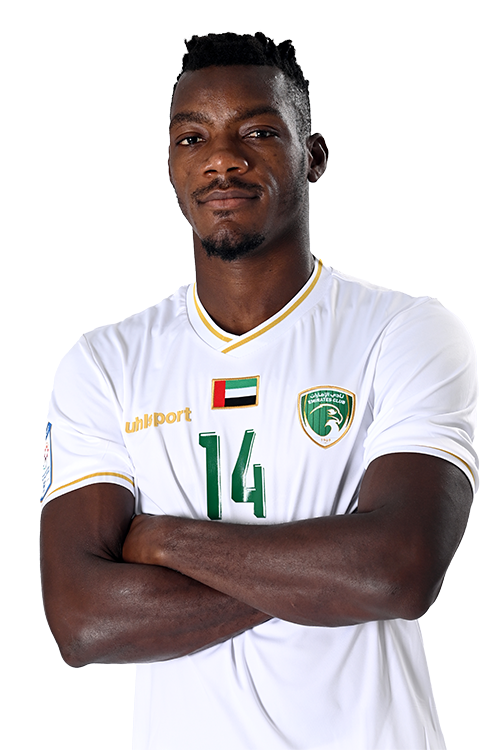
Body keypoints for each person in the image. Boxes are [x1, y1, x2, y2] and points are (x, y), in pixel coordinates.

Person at [40, 31, 479, 750]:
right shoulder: (104, 362)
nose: (222, 158)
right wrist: (326, 574)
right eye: (192, 138)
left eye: (258, 132)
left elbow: (397, 573)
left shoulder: (405, 331)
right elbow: (85, 622)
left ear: (314, 157)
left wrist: (162, 540)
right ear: (172, 164)